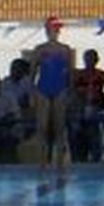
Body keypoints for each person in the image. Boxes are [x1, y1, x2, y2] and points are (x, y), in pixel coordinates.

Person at [30, 16, 75, 168]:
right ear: (47, 30)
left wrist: (70, 91)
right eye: (52, 29)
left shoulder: (66, 50)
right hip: (43, 88)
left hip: (60, 89)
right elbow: (32, 74)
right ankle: (42, 162)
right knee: (41, 126)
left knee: (59, 126)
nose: (54, 32)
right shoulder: (40, 50)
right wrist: (32, 93)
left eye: (56, 29)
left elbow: (70, 73)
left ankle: (60, 163)